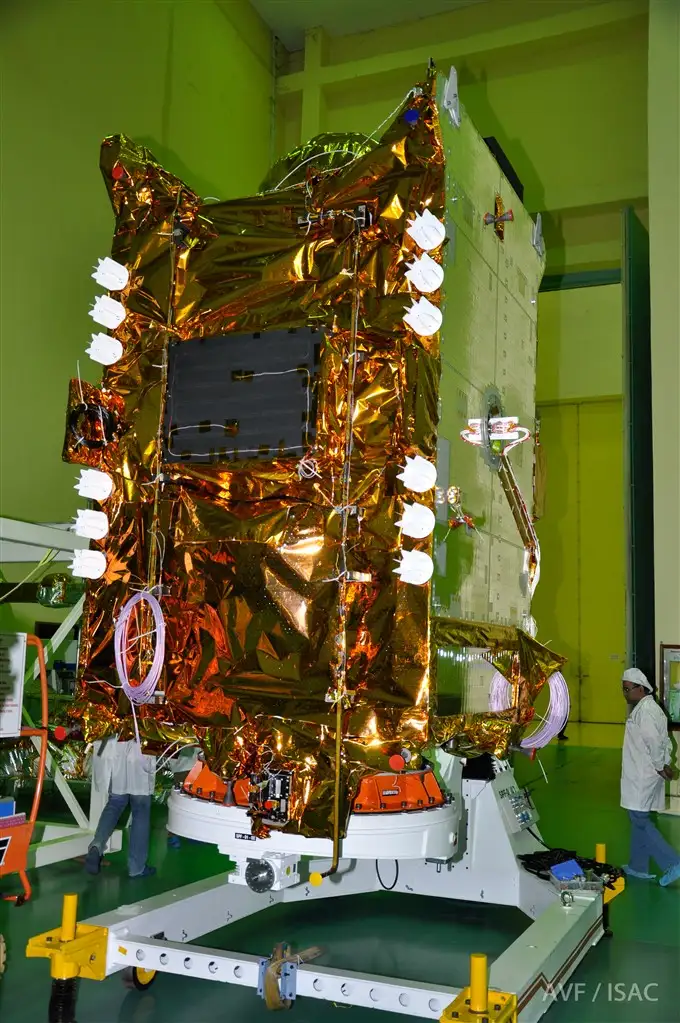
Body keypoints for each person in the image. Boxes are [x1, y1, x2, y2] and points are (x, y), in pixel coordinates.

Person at [620, 667, 680, 886]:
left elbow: (654, 741)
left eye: (627, 689)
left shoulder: (645, 711)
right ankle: (638, 865)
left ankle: (673, 862)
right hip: (646, 772)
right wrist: (664, 764)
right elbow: (663, 741)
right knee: (637, 819)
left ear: (641, 688)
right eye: (623, 689)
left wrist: (659, 765)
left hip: (643, 774)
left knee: (639, 819)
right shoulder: (649, 708)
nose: (625, 693)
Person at [85, 736, 157, 878]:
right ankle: (136, 867)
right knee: (140, 808)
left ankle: (97, 845)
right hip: (140, 750)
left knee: (115, 803)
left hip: (115, 749)